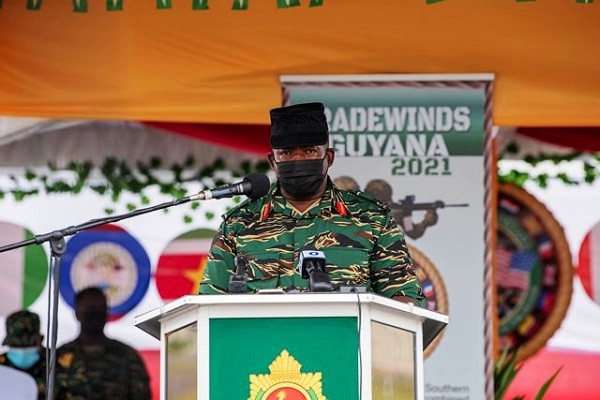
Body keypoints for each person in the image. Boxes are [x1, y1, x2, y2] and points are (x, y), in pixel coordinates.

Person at [199, 102, 425, 307]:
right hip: (262, 349)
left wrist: (402, 306)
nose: (298, 160)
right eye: (287, 153)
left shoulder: (372, 219)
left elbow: (406, 303)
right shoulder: (239, 225)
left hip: (344, 349)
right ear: (273, 162)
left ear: (328, 158)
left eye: (309, 151)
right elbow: (207, 306)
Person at [55, 287, 151, 400]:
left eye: (102, 308)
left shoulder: (127, 356)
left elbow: (142, 395)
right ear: (77, 313)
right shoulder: (59, 357)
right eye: (91, 308)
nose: (97, 313)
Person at [0, 310, 47, 399]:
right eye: (16, 345)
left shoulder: (54, 364)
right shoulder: (2, 365)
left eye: (28, 345)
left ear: (40, 339)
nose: (21, 350)